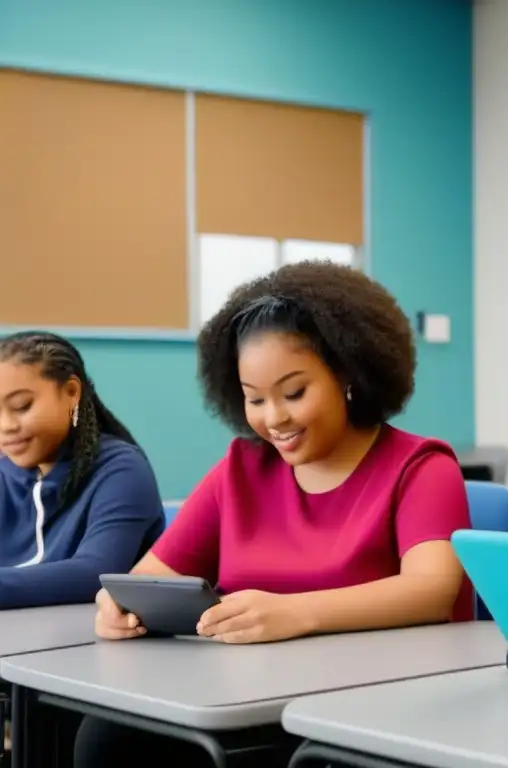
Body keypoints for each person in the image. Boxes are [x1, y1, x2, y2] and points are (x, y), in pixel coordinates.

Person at [75, 261, 473, 767]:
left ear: (349, 373)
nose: (274, 418)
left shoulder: (421, 467)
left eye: (294, 393)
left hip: (368, 712)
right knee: (108, 736)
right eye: (254, 399)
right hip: (245, 704)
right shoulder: (240, 470)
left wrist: (297, 612)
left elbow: (432, 592)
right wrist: (119, 605)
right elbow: (152, 576)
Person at [0, 331, 164, 608]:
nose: (6, 425)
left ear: (71, 392)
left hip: (88, 639)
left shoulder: (121, 469)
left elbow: (95, 573)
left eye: (22, 406)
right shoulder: (5, 470)